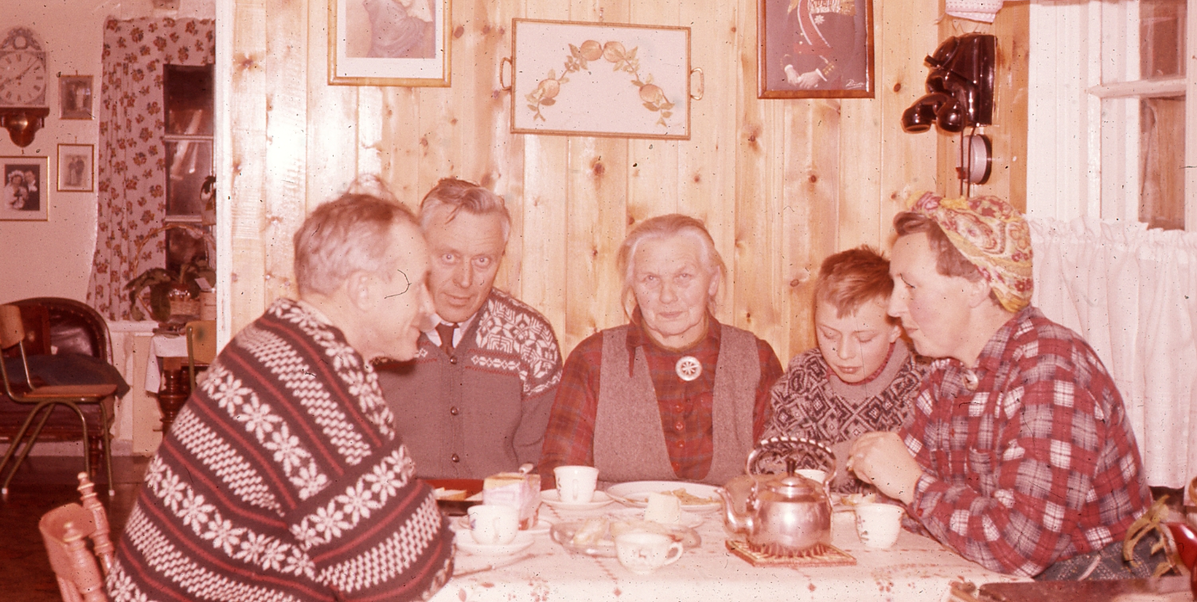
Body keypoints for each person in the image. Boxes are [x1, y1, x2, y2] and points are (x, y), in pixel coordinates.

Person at [107, 190, 454, 602]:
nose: (430, 307)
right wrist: (436, 530)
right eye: (417, 287)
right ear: (364, 291)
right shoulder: (318, 380)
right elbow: (399, 578)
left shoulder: (279, 337)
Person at [849, 192, 1162, 580]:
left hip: (1104, 582)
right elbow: (898, 497)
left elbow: (1019, 546)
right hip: (1018, 579)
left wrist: (912, 486)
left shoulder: (1051, 369)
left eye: (911, 287)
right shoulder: (946, 372)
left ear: (979, 285)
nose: (894, 308)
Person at [540, 214, 783, 486]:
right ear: (633, 286)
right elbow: (559, 479)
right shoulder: (592, 360)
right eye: (651, 279)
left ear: (712, 281)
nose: (667, 296)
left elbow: (779, 478)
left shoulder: (755, 359)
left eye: (684, 276)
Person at [374, 178, 563, 479]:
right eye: (448, 257)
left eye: (482, 260)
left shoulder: (530, 336)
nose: (465, 280)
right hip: (399, 516)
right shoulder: (375, 331)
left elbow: (542, 463)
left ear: (501, 258)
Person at [762, 246, 924, 494]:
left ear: (895, 328)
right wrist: (852, 454)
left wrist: (819, 463)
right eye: (829, 334)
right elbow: (769, 466)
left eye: (863, 338)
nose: (844, 353)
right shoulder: (805, 375)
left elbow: (916, 475)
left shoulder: (920, 381)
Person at [780, 0, 863, 91]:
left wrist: (818, 74)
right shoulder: (797, 4)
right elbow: (786, 43)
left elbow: (845, 50)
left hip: (825, 81)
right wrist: (788, 69)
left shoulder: (841, 4)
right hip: (797, 80)